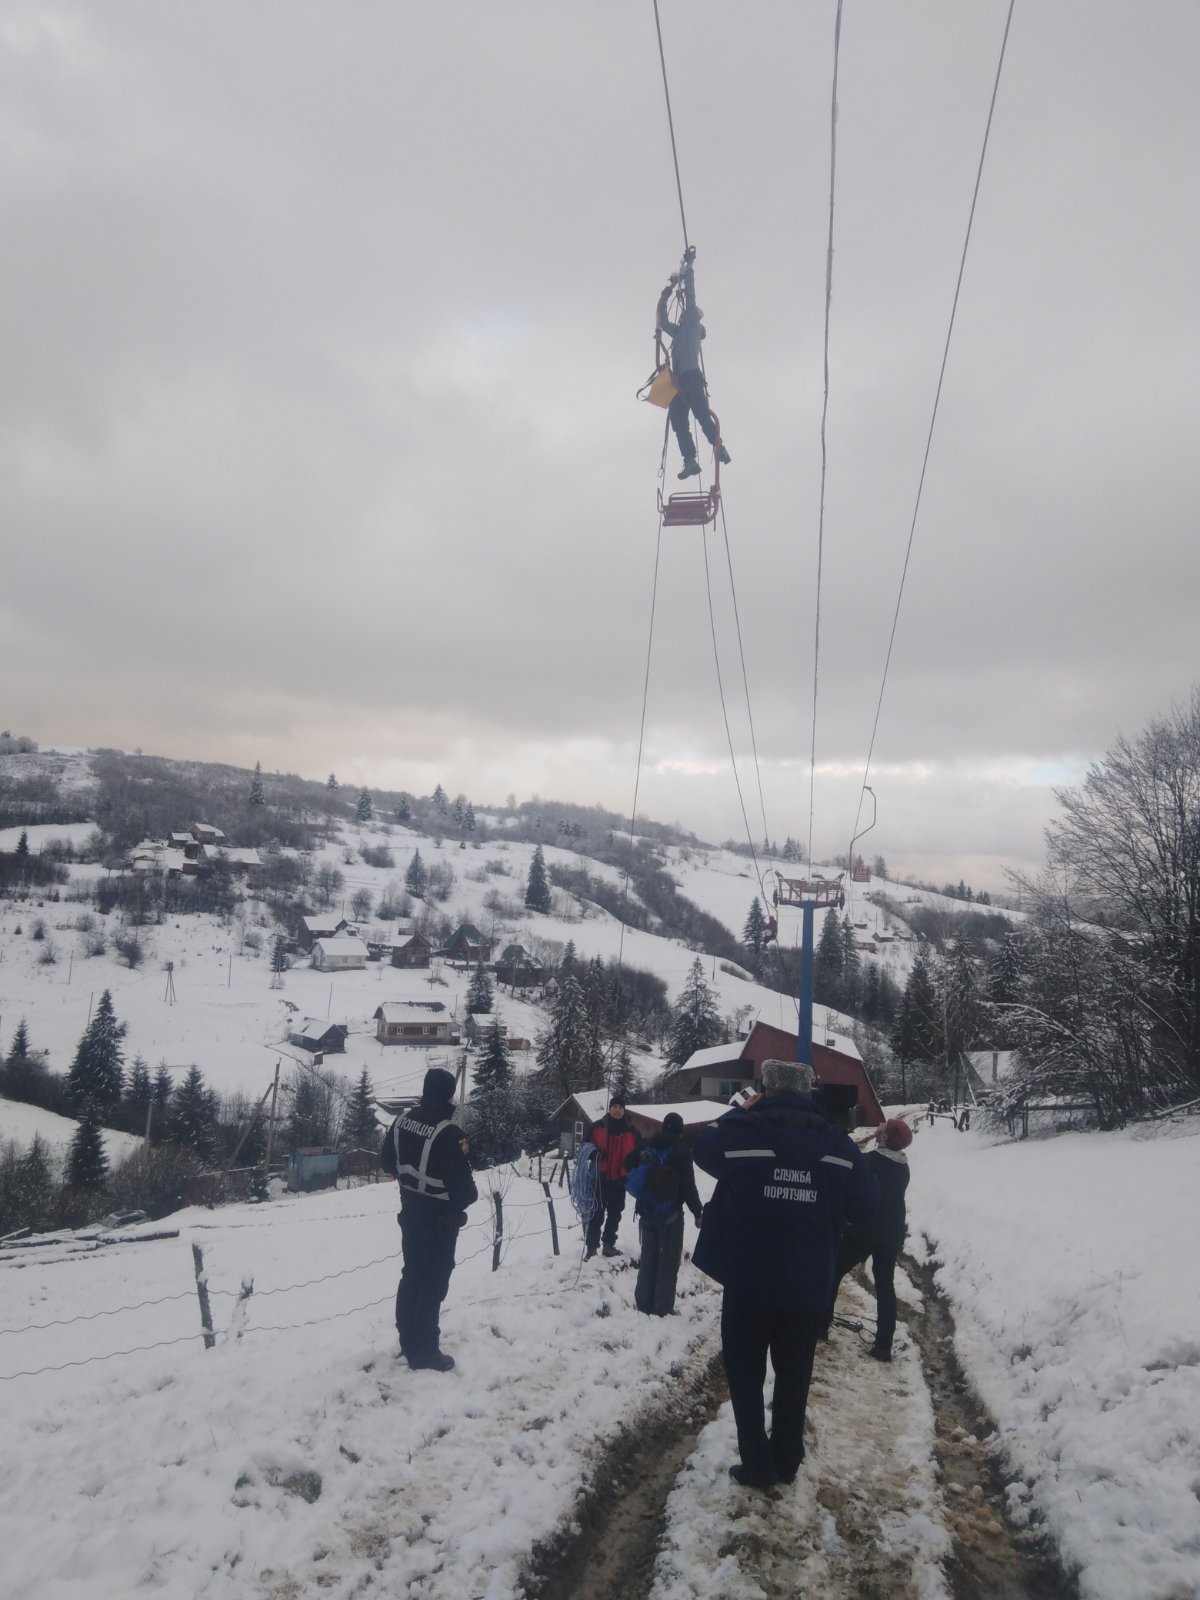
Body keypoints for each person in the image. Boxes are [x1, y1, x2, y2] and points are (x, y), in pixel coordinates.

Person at [693, 1059, 879, 1489]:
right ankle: (787, 1459)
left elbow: (703, 1146)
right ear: (808, 1092)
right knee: (795, 1375)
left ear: (765, 1089)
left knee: (744, 1373)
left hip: (747, 1282)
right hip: (806, 1284)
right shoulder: (837, 1142)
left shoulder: (744, 1131)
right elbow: (868, 1208)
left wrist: (741, 1108)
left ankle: (757, 1464)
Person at [379, 1066, 478, 1372]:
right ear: (449, 1096)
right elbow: (465, 1193)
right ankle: (426, 1352)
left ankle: (408, 1341)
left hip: (410, 1212)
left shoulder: (401, 1121)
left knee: (412, 1275)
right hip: (439, 1221)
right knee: (432, 1283)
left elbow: (386, 1162)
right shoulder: (449, 1134)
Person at [827, 1117, 912, 1362]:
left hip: (864, 1230)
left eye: (884, 1129)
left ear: (885, 1138)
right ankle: (884, 1345)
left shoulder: (868, 1162)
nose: (879, 1128)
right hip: (892, 1232)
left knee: (834, 1271)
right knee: (885, 1286)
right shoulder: (903, 1166)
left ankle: (820, 1324)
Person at [657, 247, 732, 480]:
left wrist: (688, 269)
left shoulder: (691, 326)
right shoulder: (679, 332)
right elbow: (661, 321)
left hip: (690, 377)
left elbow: (691, 296)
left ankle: (718, 447)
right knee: (679, 420)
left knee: (701, 415)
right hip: (679, 383)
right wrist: (666, 294)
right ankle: (690, 460)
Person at [626, 1111, 704, 1317]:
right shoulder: (682, 1152)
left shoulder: (646, 1144)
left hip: (647, 1212)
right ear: (680, 1130)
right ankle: (662, 1308)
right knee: (668, 1262)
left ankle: (643, 1305)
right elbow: (688, 1186)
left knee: (648, 1258)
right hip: (671, 1215)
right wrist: (698, 1212)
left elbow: (627, 1163)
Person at [585, 1097, 640, 1259]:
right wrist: (594, 1153)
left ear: (624, 1110)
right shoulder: (597, 1127)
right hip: (600, 1179)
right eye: (614, 1106)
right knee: (597, 1213)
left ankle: (608, 1245)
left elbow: (638, 1152)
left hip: (619, 1181)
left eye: (620, 1107)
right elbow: (583, 1146)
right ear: (609, 1109)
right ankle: (592, 1247)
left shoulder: (632, 1131)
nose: (617, 1110)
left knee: (615, 1214)